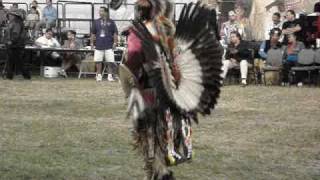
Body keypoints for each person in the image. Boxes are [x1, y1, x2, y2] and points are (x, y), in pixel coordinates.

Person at [116, 0, 223, 179]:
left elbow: (133, 56)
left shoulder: (138, 32)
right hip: (171, 92)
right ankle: (159, 170)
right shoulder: (168, 29)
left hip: (147, 90)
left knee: (148, 134)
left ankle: (159, 172)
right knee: (164, 131)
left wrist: (129, 73)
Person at [91, 6, 118, 82]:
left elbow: (115, 33)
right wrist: (92, 43)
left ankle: (110, 76)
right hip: (99, 44)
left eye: (102, 11)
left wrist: (115, 42)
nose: (100, 13)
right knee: (98, 61)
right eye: (99, 11)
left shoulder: (112, 22)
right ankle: (99, 75)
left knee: (110, 61)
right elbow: (93, 33)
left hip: (109, 44)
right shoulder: (96, 22)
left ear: (106, 12)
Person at [5, 9, 30, 80]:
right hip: (15, 45)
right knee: (13, 61)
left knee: (18, 61)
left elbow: (16, 34)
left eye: (10, 14)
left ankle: (25, 76)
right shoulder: (14, 22)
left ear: (14, 16)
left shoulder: (16, 23)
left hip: (16, 45)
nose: (9, 16)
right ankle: (9, 76)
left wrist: (11, 41)